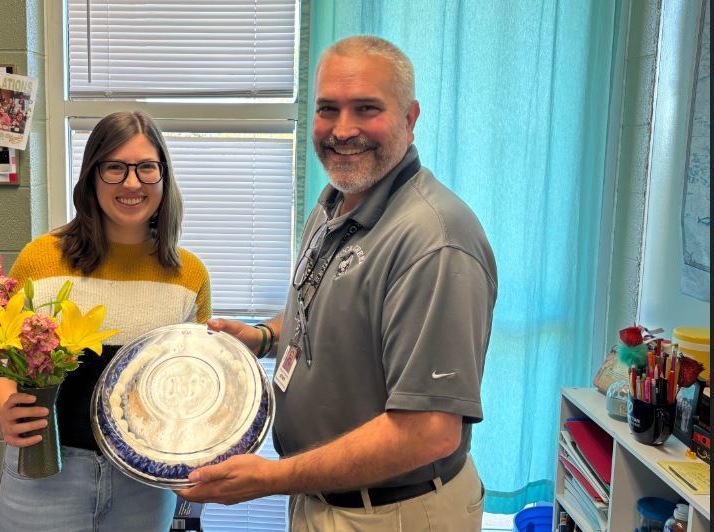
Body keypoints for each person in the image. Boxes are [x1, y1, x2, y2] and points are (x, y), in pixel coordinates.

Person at [177, 35, 497, 532]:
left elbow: (427, 433)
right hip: (325, 499)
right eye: (328, 109)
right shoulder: (338, 199)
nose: (342, 130)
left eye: (366, 108)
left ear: (410, 119)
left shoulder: (435, 241)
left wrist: (273, 478)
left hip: (393, 513)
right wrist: (262, 336)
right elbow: (326, 308)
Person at [0, 110, 211, 531]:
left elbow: (188, 385)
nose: (131, 183)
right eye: (115, 168)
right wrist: (4, 410)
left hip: (143, 483)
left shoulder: (188, 275)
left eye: (146, 168)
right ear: (92, 176)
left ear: (163, 176)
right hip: (45, 472)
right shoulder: (40, 259)